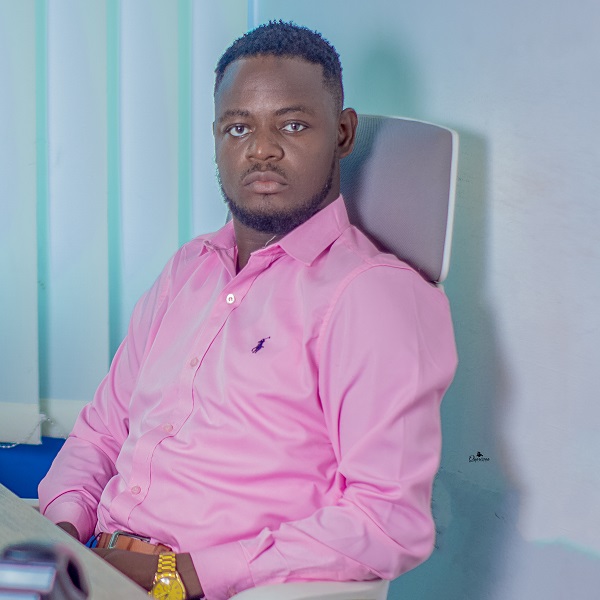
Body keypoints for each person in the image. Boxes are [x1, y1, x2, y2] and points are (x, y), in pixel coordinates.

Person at [39, 21, 457, 600]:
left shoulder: (372, 296)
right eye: (239, 128)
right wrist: (59, 537)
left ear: (342, 132)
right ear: (217, 138)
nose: (261, 149)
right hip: (94, 568)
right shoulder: (189, 269)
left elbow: (387, 520)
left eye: (292, 124)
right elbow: (103, 432)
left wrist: (177, 575)